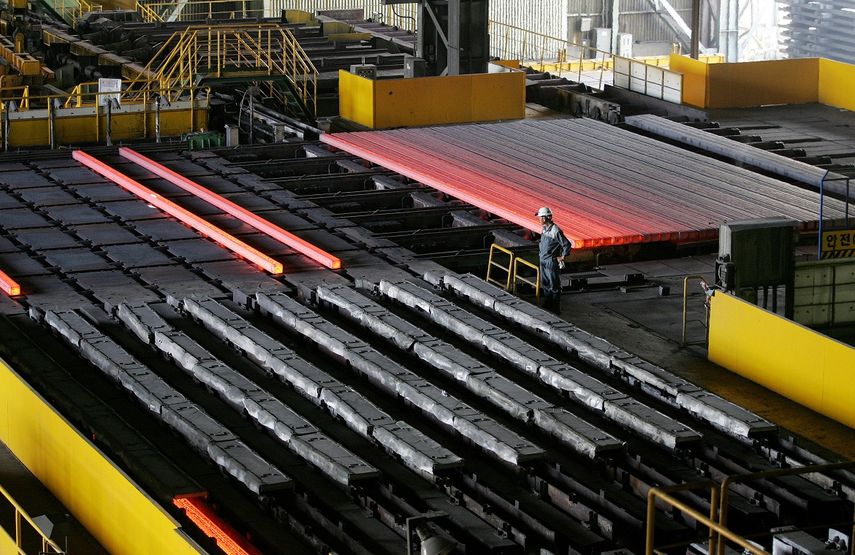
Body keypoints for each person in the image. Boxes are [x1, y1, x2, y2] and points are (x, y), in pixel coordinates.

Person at [536, 207, 572, 314]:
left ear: (545, 218)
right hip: (543, 260)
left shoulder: (555, 231)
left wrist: (563, 256)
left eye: (540, 217)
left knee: (554, 285)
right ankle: (548, 304)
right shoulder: (544, 229)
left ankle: (555, 309)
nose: (539, 219)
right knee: (545, 283)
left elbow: (566, 244)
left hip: (551, 262)